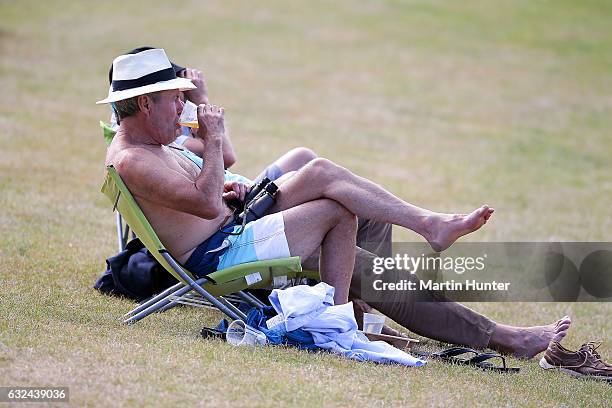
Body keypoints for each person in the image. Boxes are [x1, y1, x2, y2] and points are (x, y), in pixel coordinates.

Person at [100, 48, 571, 358]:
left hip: (234, 224)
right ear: (145, 104)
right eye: (174, 102)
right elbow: (203, 205)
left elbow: (213, 178)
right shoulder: (134, 159)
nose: (181, 111)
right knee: (340, 212)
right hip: (222, 250)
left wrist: (224, 178)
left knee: (325, 175)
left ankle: (380, 288)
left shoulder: (156, 143)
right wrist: (213, 134)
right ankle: (489, 335)